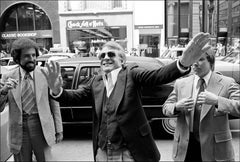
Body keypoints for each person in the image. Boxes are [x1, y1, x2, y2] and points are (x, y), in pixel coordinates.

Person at [42, 32, 210, 162]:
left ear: (122, 60)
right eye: (102, 56)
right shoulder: (96, 81)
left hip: (129, 151)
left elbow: (159, 75)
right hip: (102, 152)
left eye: (111, 55)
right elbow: (74, 97)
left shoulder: (132, 74)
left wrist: (182, 63)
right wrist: (57, 89)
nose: (105, 58)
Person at [163, 48, 240, 162]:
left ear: (211, 62)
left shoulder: (227, 83)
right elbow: (166, 108)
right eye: (193, 59)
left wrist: (218, 101)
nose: (195, 63)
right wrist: (177, 106)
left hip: (215, 149)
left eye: (200, 59)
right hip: (186, 148)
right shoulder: (181, 83)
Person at [0, 38, 63, 161]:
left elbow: (54, 104)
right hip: (19, 130)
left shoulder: (45, 74)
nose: (32, 59)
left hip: (41, 126)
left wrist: (59, 128)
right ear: (17, 58)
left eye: (34, 55)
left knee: (44, 159)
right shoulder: (8, 77)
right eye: (27, 56)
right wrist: (4, 91)